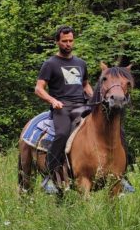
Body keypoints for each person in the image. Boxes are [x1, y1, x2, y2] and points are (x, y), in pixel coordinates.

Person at [35, 25, 134, 194]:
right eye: (64, 41)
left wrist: (94, 98)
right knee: (62, 134)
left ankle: (123, 175)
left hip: (82, 105)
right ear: (57, 42)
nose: (68, 44)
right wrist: (53, 100)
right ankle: (50, 178)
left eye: (71, 41)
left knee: (118, 131)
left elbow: (85, 85)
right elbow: (39, 88)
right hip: (62, 108)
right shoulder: (50, 64)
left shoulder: (80, 63)